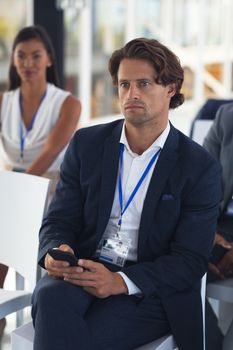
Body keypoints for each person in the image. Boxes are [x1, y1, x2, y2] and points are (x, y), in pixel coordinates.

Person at [32, 38, 222, 350]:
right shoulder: (87, 144)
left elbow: (189, 261)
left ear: (171, 88)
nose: (131, 94)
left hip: (150, 289)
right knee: (50, 296)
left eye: (144, 84)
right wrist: (55, 250)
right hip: (87, 268)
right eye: (124, 84)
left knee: (77, 338)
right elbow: (59, 219)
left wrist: (120, 282)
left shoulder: (199, 167)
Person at [0, 25, 81, 337]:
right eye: (21, 56)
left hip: (51, 191)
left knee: (7, 213)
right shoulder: (4, 102)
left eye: (36, 55)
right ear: (13, 60)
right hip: (11, 189)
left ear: (49, 59)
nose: (28, 63)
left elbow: (50, 153)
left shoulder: (68, 103)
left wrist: (13, 192)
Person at [203, 102, 233, 350]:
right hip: (220, 228)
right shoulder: (227, 116)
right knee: (176, 262)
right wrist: (203, 231)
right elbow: (199, 182)